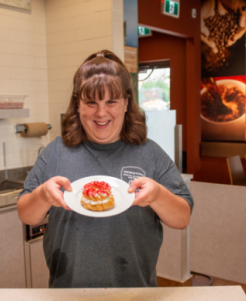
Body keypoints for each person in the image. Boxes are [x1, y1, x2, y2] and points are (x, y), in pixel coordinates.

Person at [17, 50, 193, 288]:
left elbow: (183, 218)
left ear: (126, 103)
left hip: (135, 292)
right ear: (77, 105)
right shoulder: (56, 152)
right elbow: (27, 216)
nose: (101, 113)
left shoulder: (149, 153)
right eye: (91, 102)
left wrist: (158, 195)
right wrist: (42, 195)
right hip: (67, 292)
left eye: (111, 101)